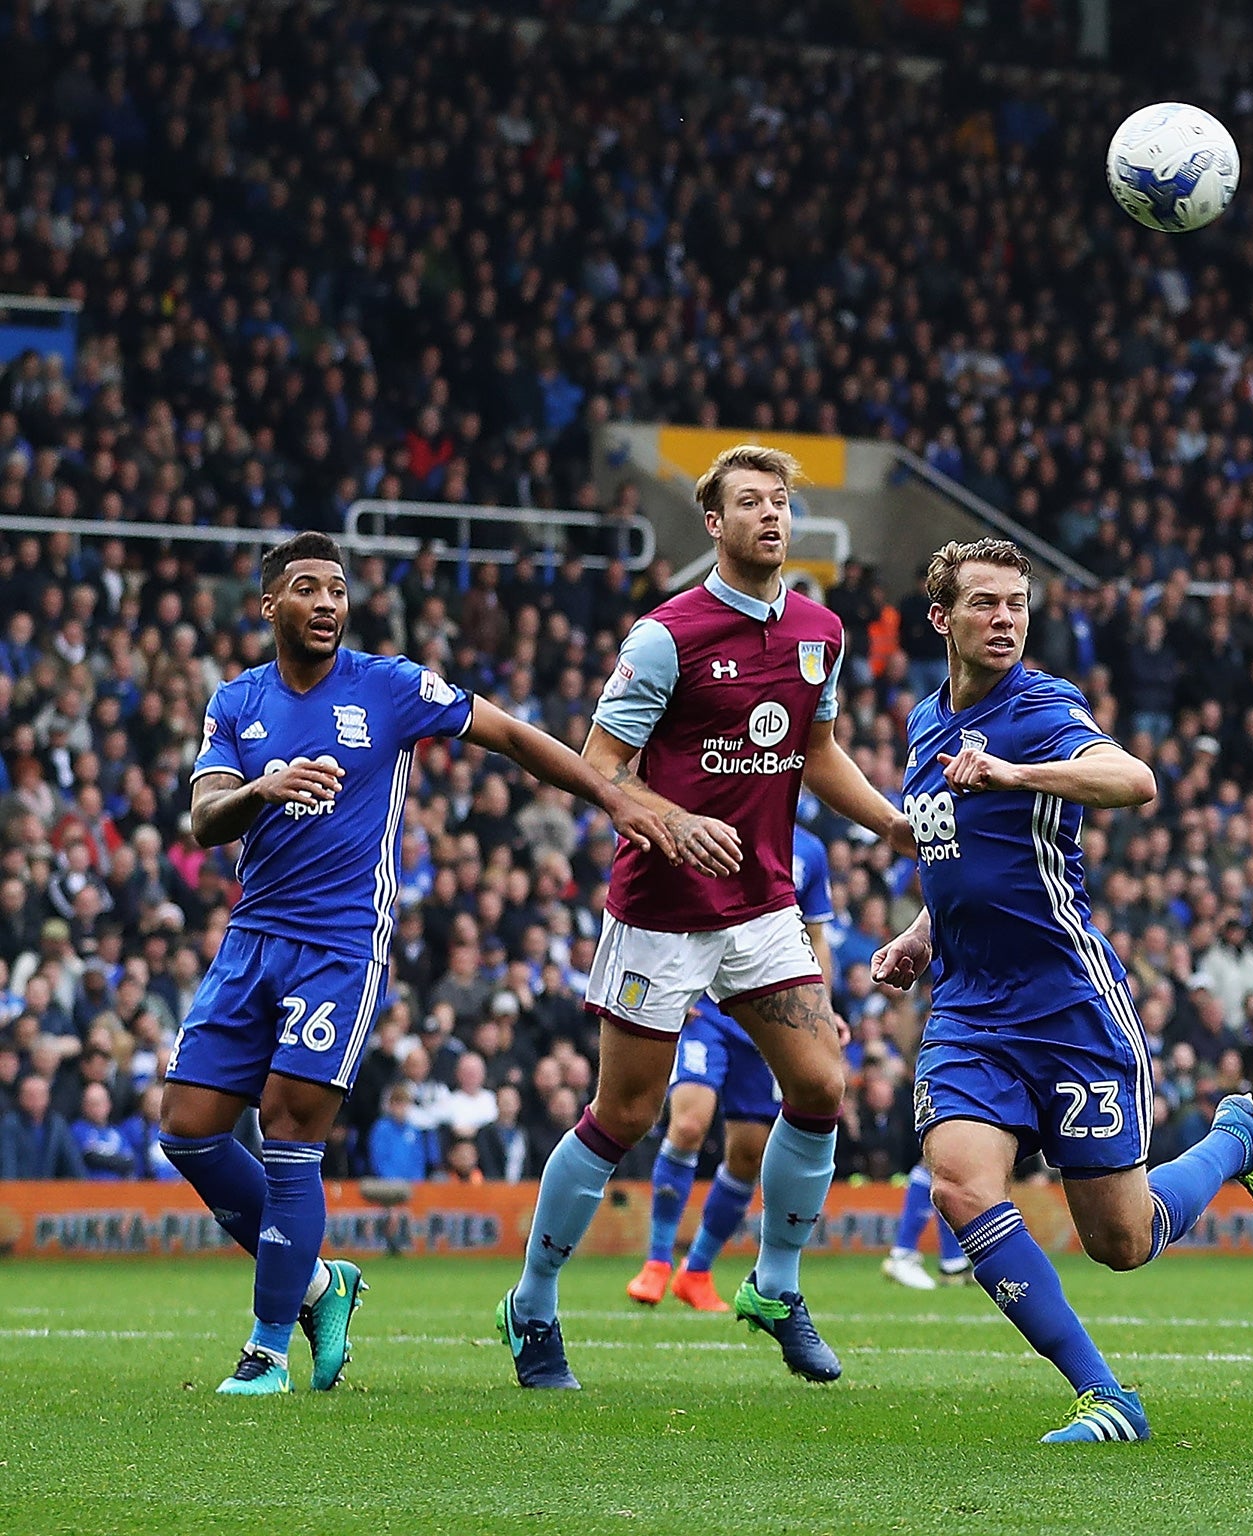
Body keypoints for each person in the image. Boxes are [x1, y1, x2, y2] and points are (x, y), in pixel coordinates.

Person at [163, 530, 678, 1397]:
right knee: (187, 1128)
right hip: (251, 939)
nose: (328, 603)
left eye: (337, 589)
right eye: (306, 589)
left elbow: (511, 735)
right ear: (269, 606)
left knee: (290, 1133)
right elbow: (203, 819)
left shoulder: (390, 686)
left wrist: (612, 796)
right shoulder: (235, 702)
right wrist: (263, 789)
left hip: (338, 946)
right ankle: (324, 1285)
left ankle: (263, 1352)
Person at [871, 539, 1253, 1445]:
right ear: (941, 618)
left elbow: (1134, 779)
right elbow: (957, 858)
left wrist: (1015, 772)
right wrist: (920, 936)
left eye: (1018, 604)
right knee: (958, 1186)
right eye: (985, 604)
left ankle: (1234, 1142)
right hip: (969, 1005)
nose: (1004, 620)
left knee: (1122, 1241)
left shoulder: (1039, 708)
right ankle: (1105, 1395)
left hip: (1066, 1001)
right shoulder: (922, 726)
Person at [499, 445, 914, 1390]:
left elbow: (817, 752)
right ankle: (532, 1302)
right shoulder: (664, 638)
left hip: (763, 905)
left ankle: (774, 1285)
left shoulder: (819, 632)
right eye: (751, 504)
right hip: (661, 912)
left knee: (820, 1089)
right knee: (627, 1113)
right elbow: (597, 765)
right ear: (714, 524)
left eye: (781, 503)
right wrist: (668, 819)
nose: (772, 516)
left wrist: (887, 819)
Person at [625, 823, 839, 1313]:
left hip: (770, 1015)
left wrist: (821, 1010)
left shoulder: (809, 848)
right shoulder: (718, 821)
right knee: (689, 1122)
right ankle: (657, 1261)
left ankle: (696, 1271)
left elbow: (816, 936)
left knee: (749, 1153)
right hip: (707, 1008)